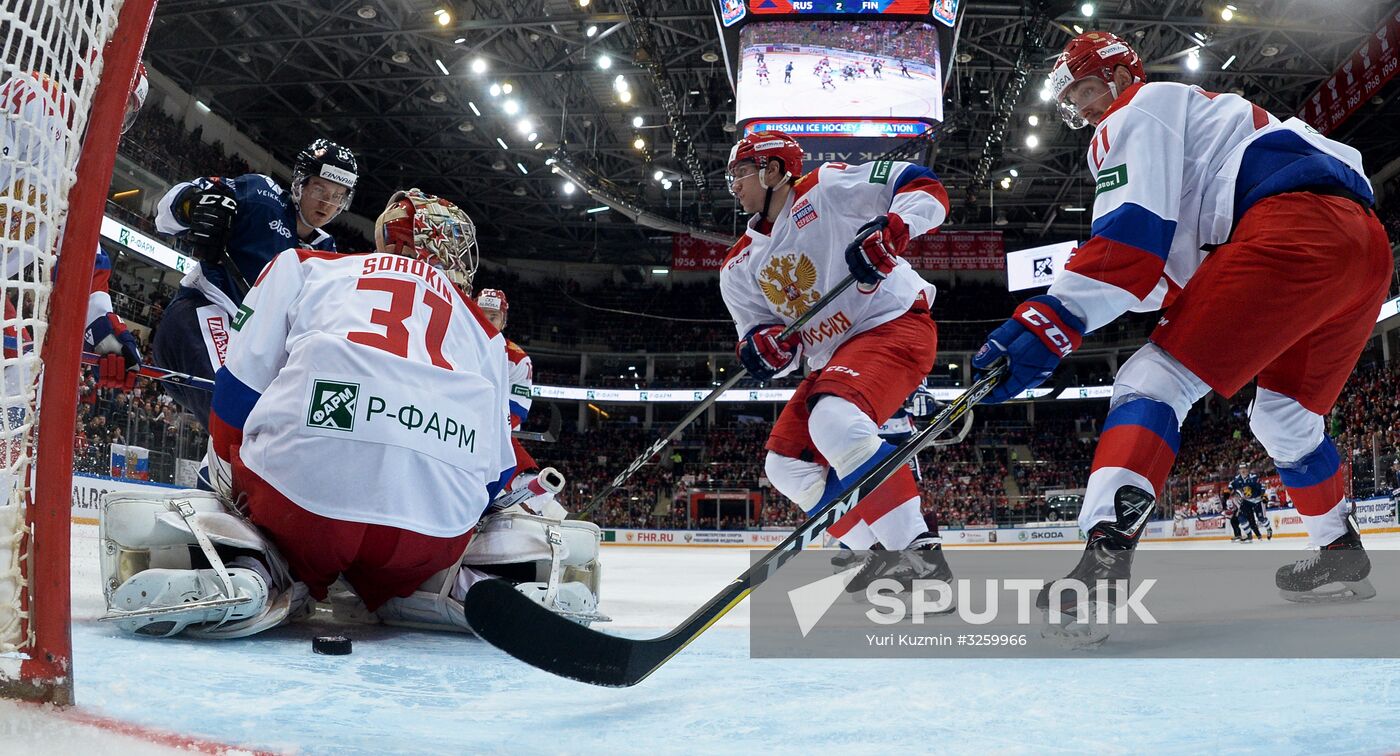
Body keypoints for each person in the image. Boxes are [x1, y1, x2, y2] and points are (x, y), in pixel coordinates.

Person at [972, 31, 1390, 619]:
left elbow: (1129, 246)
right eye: (1074, 101)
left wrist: (1046, 323)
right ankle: (1340, 550)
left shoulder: (1138, 108)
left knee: (1152, 381)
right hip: (1364, 249)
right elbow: (1160, 277)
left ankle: (1104, 564)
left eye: (1088, 89)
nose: (1086, 109)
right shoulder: (1198, 121)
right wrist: (1084, 300)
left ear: (1119, 78)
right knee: (1285, 418)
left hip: (1292, 229)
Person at [99, 190, 525, 638]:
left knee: (282, 522)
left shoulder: (302, 265)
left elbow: (236, 394)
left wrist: (228, 487)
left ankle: (257, 564)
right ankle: (444, 587)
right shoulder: (486, 332)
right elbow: (497, 474)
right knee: (416, 565)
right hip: (429, 533)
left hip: (303, 505)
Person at [719, 130, 952, 592]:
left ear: (773, 170)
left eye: (742, 172)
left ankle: (921, 559)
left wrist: (894, 229)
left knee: (836, 422)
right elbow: (766, 342)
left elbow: (924, 186)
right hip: (832, 359)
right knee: (785, 466)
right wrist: (766, 351)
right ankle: (878, 554)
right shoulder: (737, 265)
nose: (735, 185)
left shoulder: (826, 187)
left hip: (892, 322)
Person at [152, 138, 358, 425]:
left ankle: (210, 471)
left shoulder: (329, 256)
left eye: (338, 195)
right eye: (320, 188)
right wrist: (195, 207)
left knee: (265, 434)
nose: (327, 202)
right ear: (301, 183)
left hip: (251, 349)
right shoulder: (261, 195)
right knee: (235, 416)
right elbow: (166, 213)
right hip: (203, 315)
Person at [1, 64, 148, 389]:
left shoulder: (82, 172)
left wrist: (108, 339)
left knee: (21, 369)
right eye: (120, 101)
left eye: (127, 114)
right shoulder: (37, 98)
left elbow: (82, 263)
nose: (117, 120)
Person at [1230, 462, 1271, 540]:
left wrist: (1263, 497)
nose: (1243, 470)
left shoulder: (1254, 477)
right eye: (1241, 469)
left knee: (1261, 518)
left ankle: (1269, 529)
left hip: (1257, 501)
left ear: (1247, 469)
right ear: (1239, 470)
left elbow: (1262, 486)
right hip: (1247, 501)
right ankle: (1249, 536)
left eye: (1244, 468)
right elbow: (1231, 487)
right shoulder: (1237, 479)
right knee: (1241, 517)